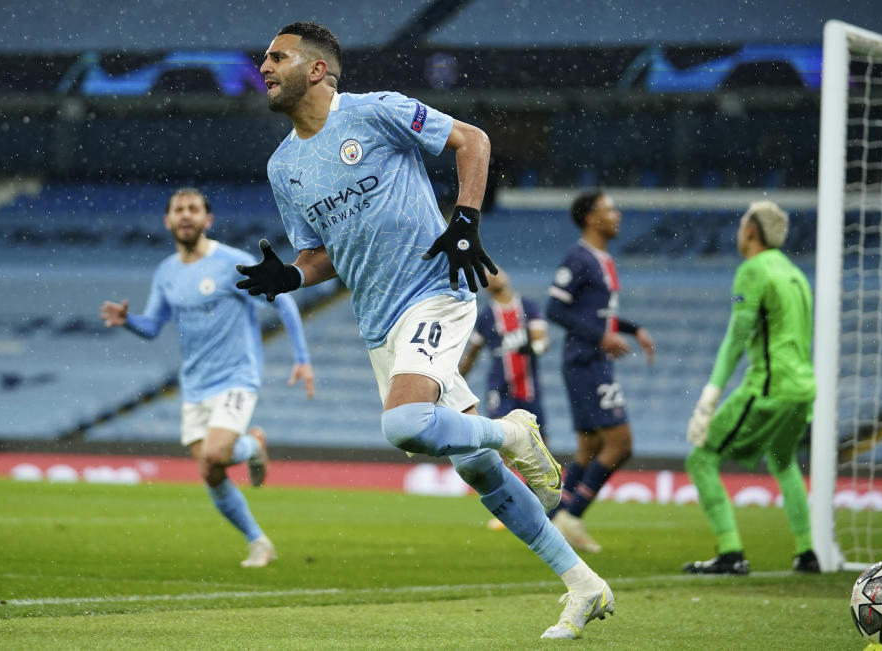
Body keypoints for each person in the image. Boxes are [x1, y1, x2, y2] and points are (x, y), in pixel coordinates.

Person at [236, 22, 614, 639]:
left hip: (434, 291)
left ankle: (514, 431)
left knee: (404, 424)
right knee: (476, 469)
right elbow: (319, 254)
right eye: (265, 58)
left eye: (278, 57)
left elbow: (472, 140)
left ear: (317, 70)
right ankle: (584, 584)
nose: (265, 66)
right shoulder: (284, 168)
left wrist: (465, 221)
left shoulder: (377, 112)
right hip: (380, 322)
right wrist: (290, 278)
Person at [99, 187, 315, 568]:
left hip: (236, 376)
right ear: (168, 221)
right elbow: (152, 326)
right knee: (210, 470)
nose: (186, 215)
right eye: (179, 209)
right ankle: (258, 541)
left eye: (193, 209)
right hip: (195, 384)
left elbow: (282, 299)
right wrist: (128, 320)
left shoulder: (232, 263)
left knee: (217, 452)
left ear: (207, 220)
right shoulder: (166, 272)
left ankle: (252, 448)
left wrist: (301, 357)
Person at [682, 200, 819, 575]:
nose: (739, 231)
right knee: (782, 460)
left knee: (700, 458)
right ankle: (807, 553)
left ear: (752, 231)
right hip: (804, 389)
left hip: (770, 388)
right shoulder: (794, 273)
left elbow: (736, 338)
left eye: (742, 224)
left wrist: (709, 398)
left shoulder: (753, 270)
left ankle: (731, 553)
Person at [546, 190, 655, 554]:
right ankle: (571, 516)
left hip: (592, 359)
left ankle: (552, 518)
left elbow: (597, 314)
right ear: (592, 218)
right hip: (585, 361)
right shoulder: (578, 258)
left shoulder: (602, 258)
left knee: (590, 448)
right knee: (620, 444)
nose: (617, 214)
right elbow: (555, 310)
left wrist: (631, 328)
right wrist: (602, 338)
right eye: (610, 209)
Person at [458, 266, 550, 531]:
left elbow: (542, 341)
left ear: (507, 275)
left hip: (528, 387)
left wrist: (532, 348)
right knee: (503, 445)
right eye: (487, 273)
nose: (493, 275)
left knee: (540, 444)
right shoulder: (486, 317)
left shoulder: (528, 307)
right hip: (500, 388)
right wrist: (453, 379)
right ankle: (512, 507)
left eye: (496, 270)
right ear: (484, 284)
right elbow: (472, 354)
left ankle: (543, 502)